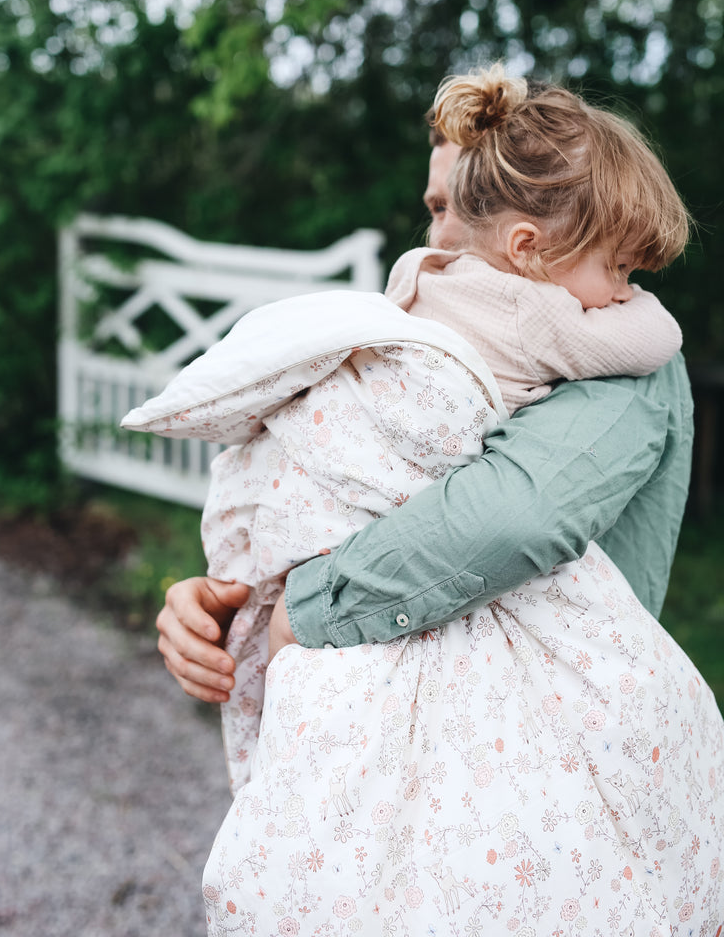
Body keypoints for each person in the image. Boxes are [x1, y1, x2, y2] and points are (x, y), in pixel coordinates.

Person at [135, 67, 723, 933]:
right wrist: (226, 593)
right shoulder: (406, 344)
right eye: (437, 208)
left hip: (530, 757)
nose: (448, 241)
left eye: (459, 208)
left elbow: (505, 518)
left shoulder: (620, 364)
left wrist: (296, 604)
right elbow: (341, 485)